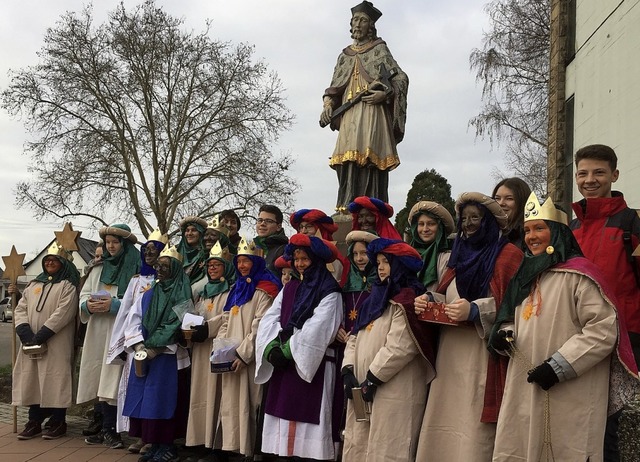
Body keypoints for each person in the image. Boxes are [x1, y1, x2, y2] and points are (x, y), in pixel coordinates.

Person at [489, 192, 640, 461]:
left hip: (569, 386)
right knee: (522, 446)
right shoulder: (526, 275)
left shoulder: (581, 276)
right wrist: (505, 334)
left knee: (565, 447)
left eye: (539, 228)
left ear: (557, 232)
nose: (531, 236)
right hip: (526, 383)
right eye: (526, 230)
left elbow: (602, 330)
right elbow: (513, 317)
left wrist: (559, 366)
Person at [413, 192, 523, 461]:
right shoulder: (458, 252)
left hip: (480, 352)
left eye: (476, 218)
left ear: (488, 222)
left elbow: (516, 306)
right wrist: (431, 300)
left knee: (472, 422)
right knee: (445, 413)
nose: (469, 224)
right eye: (465, 218)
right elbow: (447, 290)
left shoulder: (509, 255)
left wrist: (476, 309)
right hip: (449, 352)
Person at [568, 143, 640, 460]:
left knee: (610, 425)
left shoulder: (632, 224)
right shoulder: (570, 228)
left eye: (599, 172)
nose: (590, 179)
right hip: (577, 336)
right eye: (583, 173)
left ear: (615, 174)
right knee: (579, 417)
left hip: (624, 336)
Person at [341, 238, 436, 462]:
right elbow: (354, 336)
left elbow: (401, 346)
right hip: (361, 385)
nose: (380, 267)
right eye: (379, 262)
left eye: (386, 262)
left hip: (392, 388)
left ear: (400, 265)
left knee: (388, 447)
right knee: (359, 445)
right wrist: (348, 370)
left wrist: (373, 378)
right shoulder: (373, 299)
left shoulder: (408, 301)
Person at [255, 234, 343, 461]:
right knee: (284, 422)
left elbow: (321, 327)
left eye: (305, 259)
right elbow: (270, 317)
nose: (300, 264)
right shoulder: (291, 286)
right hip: (285, 366)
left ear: (316, 259)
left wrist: (288, 350)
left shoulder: (330, 290)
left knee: (308, 425)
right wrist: (271, 346)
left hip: (311, 363)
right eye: (296, 259)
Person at [320, 1, 408, 211]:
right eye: (355, 20)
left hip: (372, 112)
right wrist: (328, 105)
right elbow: (334, 88)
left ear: (371, 25)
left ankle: (371, 208)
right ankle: (345, 206)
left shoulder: (379, 50)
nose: (357, 24)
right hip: (349, 114)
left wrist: (384, 94)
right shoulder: (344, 56)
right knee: (347, 159)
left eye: (362, 20)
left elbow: (400, 78)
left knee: (370, 158)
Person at [122, 245, 192, 462]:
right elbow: (133, 319)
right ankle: (151, 443)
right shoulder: (149, 292)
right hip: (145, 355)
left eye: (165, 267)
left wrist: (157, 346)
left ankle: (167, 445)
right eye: (158, 266)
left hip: (168, 357)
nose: (159, 270)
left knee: (164, 400)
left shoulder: (183, 294)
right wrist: (139, 346)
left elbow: (178, 322)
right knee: (146, 400)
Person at [217, 237, 281, 460]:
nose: (242, 266)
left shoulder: (265, 289)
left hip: (250, 358)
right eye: (239, 261)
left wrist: (243, 354)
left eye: (247, 261)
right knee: (231, 404)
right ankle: (232, 447)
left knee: (248, 404)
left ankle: (250, 450)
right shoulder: (236, 288)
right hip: (231, 357)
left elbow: (261, 325)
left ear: (256, 262)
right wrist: (221, 351)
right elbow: (226, 320)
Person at [77, 223, 140, 449]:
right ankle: (105, 428)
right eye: (108, 242)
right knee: (99, 376)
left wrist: (115, 305)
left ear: (124, 244)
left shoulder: (136, 269)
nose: (111, 246)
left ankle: (114, 430)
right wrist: (88, 305)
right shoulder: (97, 268)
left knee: (114, 378)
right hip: (98, 329)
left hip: (120, 329)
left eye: (115, 242)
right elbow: (83, 294)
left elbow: (140, 301)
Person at [105, 229, 168, 453]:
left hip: (159, 345)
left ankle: (153, 437)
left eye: (154, 251)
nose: (149, 254)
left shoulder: (168, 281)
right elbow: (126, 312)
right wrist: (126, 341)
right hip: (136, 342)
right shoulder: (136, 281)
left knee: (155, 392)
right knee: (137, 390)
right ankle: (140, 434)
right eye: (146, 250)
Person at [12, 242, 80, 440]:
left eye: (54, 260)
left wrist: (41, 335)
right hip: (29, 342)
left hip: (55, 341)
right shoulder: (34, 285)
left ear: (62, 263)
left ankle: (58, 421)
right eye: (47, 260)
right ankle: (34, 421)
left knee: (55, 379)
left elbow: (64, 313)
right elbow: (20, 308)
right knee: (32, 379)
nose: (50, 262)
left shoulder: (67, 286)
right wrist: (24, 332)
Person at [185, 241, 235, 459]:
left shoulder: (230, 291)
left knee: (216, 395)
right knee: (199, 394)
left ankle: (215, 444)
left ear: (226, 267)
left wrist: (207, 327)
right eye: (210, 265)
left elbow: (227, 317)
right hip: (199, 349)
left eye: (217, 265)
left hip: (216, 347)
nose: (212, 268)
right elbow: (195, 314)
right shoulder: (203, 292)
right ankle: (198, 440)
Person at [290, 208, 350, 285]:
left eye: (309, 227)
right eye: (301, 227)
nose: (303, 231)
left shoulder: (334, 260)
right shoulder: (294, 257)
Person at [406, 200, 455, 291]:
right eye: (421, 224)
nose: (425, 229)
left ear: (440, 228)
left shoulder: (448, 259)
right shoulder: (406, 256)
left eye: (431, 224)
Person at [193, 214, 231, 299]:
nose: (208, 238)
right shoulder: (197, 260)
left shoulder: (231, 264)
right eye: (206, 235)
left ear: (223, 238)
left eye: (213, 235)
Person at [491, 177, 532, 248]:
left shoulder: (528, 236)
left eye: (509, 198)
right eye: (497, 198)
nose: (501, 203)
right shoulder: (488, 233)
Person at [254, 204, 288, 278]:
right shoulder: (251, 248)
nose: (262, 224)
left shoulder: (284, 250)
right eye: (260, 220)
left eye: (268, 221)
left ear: (278, 227)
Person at [177, 216, 208, 287]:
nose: (189, 233)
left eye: (194, 230)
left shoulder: (207, 253)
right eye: (187, 230)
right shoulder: (175, 252)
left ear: (201, 233)